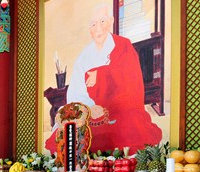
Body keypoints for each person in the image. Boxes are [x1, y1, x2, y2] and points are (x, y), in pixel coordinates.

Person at [45, 3, 162, 153]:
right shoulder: (84, 57)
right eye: (93, 24)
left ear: (111, 22)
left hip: (120, 109)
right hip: (91, 113)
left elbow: (132, 81)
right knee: (67, 134)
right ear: (89, 29)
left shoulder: (123, 45)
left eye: (102, 21)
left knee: (132, 128)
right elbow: (75, 93)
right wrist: (88, 108)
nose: (98, 28)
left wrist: (101, 75)